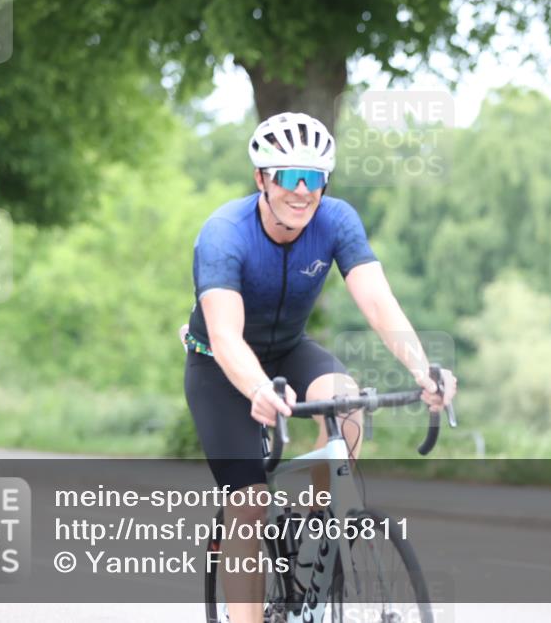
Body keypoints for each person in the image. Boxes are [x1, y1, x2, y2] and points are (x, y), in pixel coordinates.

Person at [183, 111, 457, 623]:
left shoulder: (336, 220)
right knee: (248, 506)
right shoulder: (224, 233)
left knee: (347, 402)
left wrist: (424, 370)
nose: (303, 190)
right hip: (220, 366)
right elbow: (224, 336)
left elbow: (379, 302)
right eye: (289, 176)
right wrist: (260, 390)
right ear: (261, 178)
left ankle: (313, 545)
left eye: (315, 177)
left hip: (289, 349)